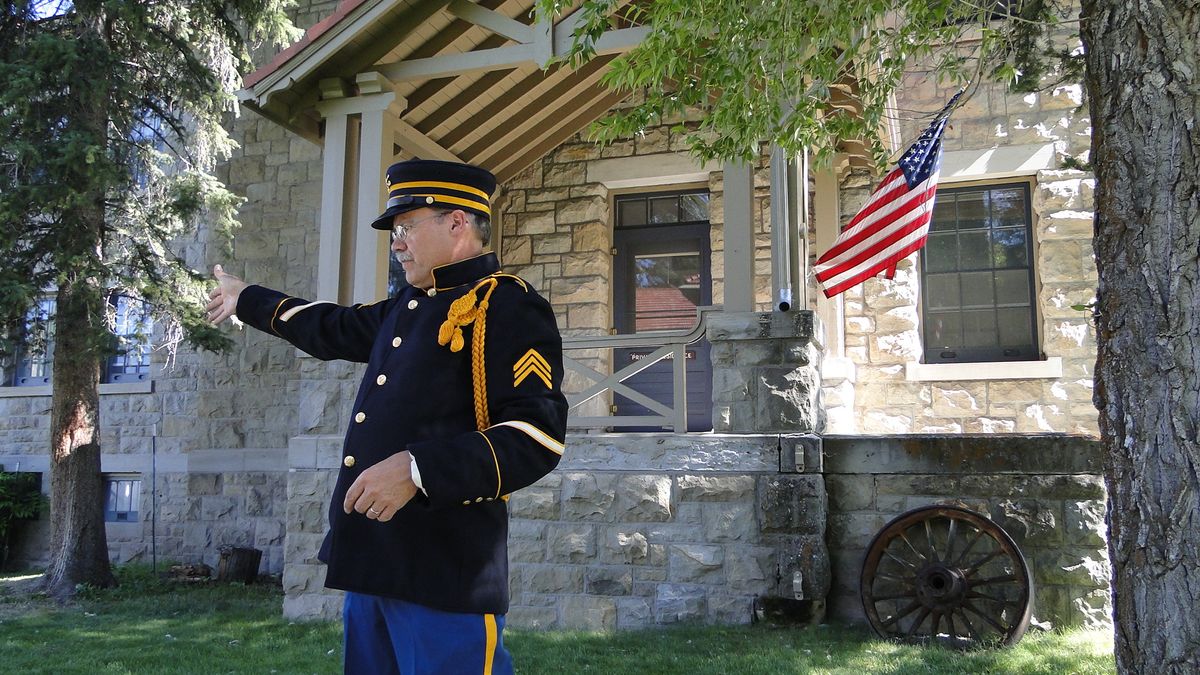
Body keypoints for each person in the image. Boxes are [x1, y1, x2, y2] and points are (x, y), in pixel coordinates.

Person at [206, 159, 567, 674]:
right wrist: (248, 301)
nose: (396, 243)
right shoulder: (407, 308)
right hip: (375, 560)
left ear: (458, 222)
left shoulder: (506, 305)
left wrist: (416, 470)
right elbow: (330, 326)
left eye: (405, 228)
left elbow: (536, 437)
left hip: (444, 568)